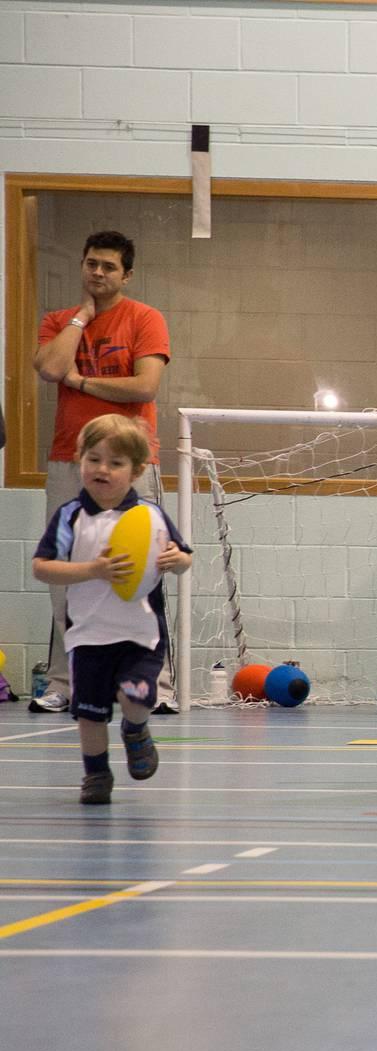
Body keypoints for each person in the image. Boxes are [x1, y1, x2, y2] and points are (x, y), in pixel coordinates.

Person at [31, 230, 176, 715]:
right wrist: (80, 318)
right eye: (91, 263)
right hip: (69, 459)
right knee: (66, 574)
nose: (98, 273)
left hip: (134, 459)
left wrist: (83, 380)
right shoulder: (59, 321)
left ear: (126, 274)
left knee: (146, 566)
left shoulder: (144, 319)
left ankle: (159, 683)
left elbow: (144, 386)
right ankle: (65, 680)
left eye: (109, 267)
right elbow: (51, 368)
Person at [31, 415, 192, 804]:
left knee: (135, 695)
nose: (102, 469)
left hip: (140, 634)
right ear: (79, 459)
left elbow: (185, 556)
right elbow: (42, 567)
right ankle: (97, 774)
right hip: (87, 635)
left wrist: (176, 558)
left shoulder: (151, 516)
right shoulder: (71, 516)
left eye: (115, 463)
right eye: (94, 459)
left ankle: (136, 731)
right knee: (89, 713)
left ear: (136, 471)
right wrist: (93, 570)